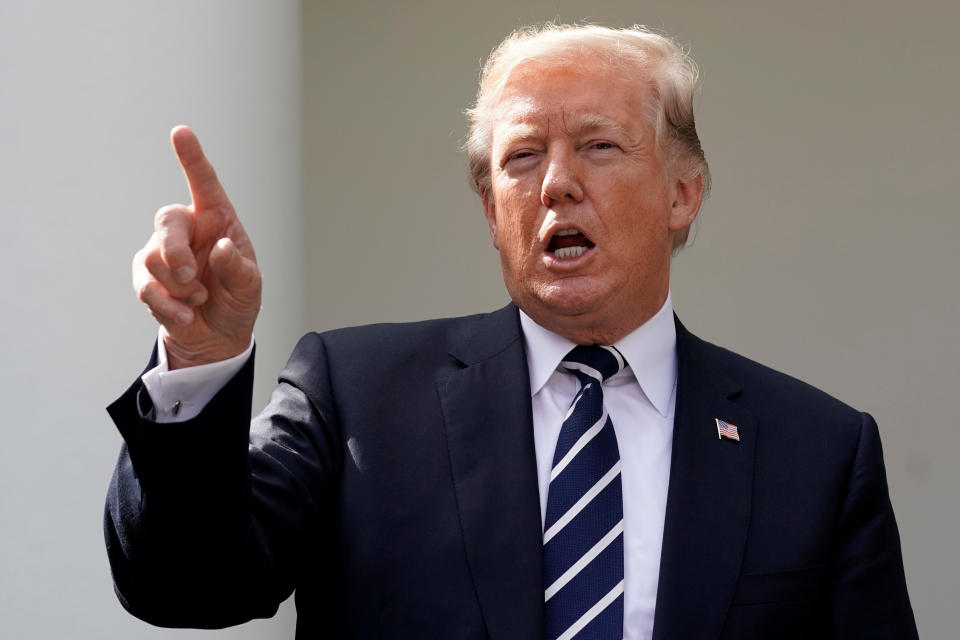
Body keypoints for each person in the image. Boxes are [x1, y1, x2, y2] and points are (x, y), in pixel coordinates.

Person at [105, 23, 918, 639]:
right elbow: (183, 586)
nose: (558, 183)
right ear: (493, 213)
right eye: (523, 158)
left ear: (682, 193)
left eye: (599, 145)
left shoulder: (818, 452)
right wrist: (203, 360)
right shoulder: (354, 396)